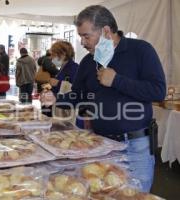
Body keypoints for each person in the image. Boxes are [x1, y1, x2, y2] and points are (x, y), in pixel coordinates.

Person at [44, 5, 166, 192]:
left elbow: (158, 91)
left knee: (136, 195)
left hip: (135, 147)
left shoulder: (141, 50)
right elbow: (79, 96)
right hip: (100, 145)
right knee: (101, 194)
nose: (83, 42)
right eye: (81, 37)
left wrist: (117, 80)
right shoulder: (87, 62)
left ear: (106, 31)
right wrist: (56, 100)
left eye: (86, 36)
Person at [42, 41, 78, 118]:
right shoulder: (63, 68)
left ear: (63, 54)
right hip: (58, 107)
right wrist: (46, 88)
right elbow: (55, 85)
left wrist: (58, 83)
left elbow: (76, 90)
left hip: (66, 110)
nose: (51, 57)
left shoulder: (74, 68)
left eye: (53, 54)